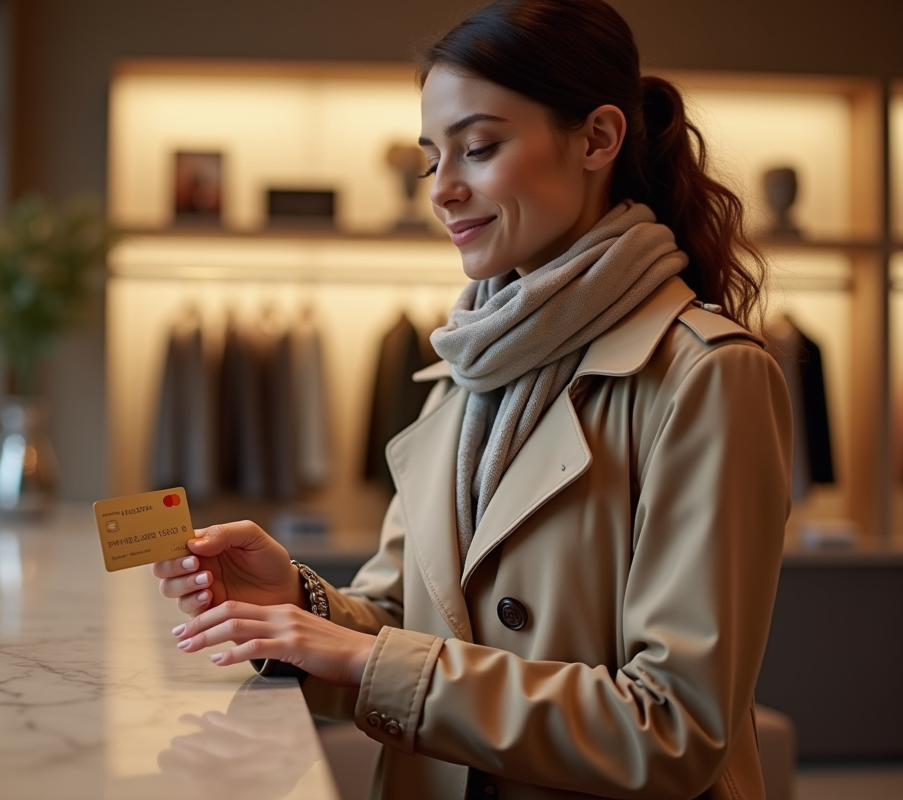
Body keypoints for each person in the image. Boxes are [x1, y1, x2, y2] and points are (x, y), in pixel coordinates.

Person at [153, 1, 792, 797]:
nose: (443, 191)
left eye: (479, 148)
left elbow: (673, 727)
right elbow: (409, 627)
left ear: (597, 138)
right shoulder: (466, 368)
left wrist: (364, 657)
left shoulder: (707, 375)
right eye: (432, 160)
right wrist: (296, 601)